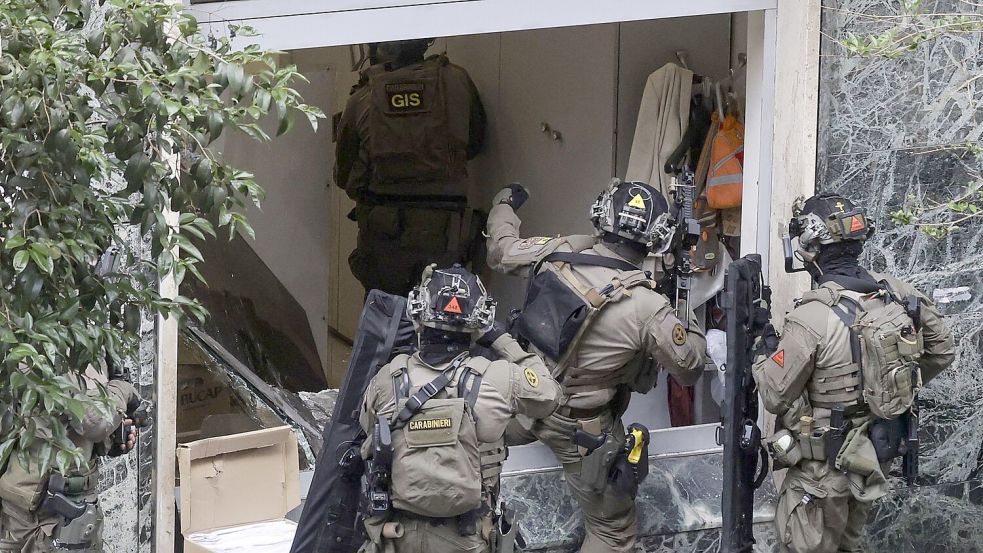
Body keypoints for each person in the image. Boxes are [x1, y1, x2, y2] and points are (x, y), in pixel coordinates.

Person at [485, 179, 708, 553]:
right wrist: (682, 307)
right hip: (582, 430)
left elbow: (502, 250)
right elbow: (690, 367)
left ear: (601, 215)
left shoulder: (557, 252)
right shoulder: (648, 306)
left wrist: (503, 202)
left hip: (519, 400)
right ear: (658, 238)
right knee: (611, 533)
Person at [752, 193, 955, 553]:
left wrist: (762, 348)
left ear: (811, 245)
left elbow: (773, 395)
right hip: (871, 460)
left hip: (819, 479)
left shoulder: (811, 317)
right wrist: (893, 390)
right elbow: (942, 349)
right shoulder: (895, 292)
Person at [357, 265, 560, 553]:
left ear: (418, 314)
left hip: (397, 535)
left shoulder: (388, 379)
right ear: (480, 320)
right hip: (467, 536)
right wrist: (501, 339)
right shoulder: (498, 378)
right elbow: (550, 395)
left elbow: (368, 432)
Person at [335, 39, 487, 297]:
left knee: (383, 321)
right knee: (442, 321)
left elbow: (343, 175)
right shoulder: (457, 80)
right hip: (447, 234)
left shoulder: (364, 95)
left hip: (385, 235)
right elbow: (474, 144)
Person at [0, 360, 142, 552]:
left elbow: (80, 429)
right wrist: (122, 390)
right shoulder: (40, 346)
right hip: (36, 518)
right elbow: (95, 421)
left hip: (79, 508)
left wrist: (112, 441)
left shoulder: (92, 346)